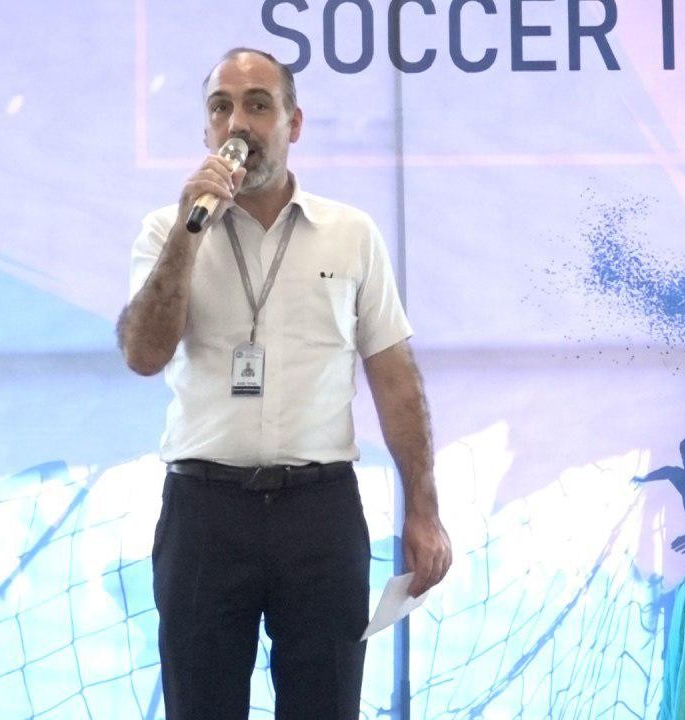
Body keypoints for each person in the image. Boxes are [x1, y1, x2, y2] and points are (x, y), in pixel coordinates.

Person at [117, 48, 452, 719]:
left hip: (318, 514)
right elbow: (144, 354)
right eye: (221, 108)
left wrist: (423, 508)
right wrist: (188, 234)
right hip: (205, 513)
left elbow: (395, 379)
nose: (238, 123)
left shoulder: (350, 234)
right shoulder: (168, 230)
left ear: (293, 124)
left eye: (258, 105)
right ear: (206, 130)